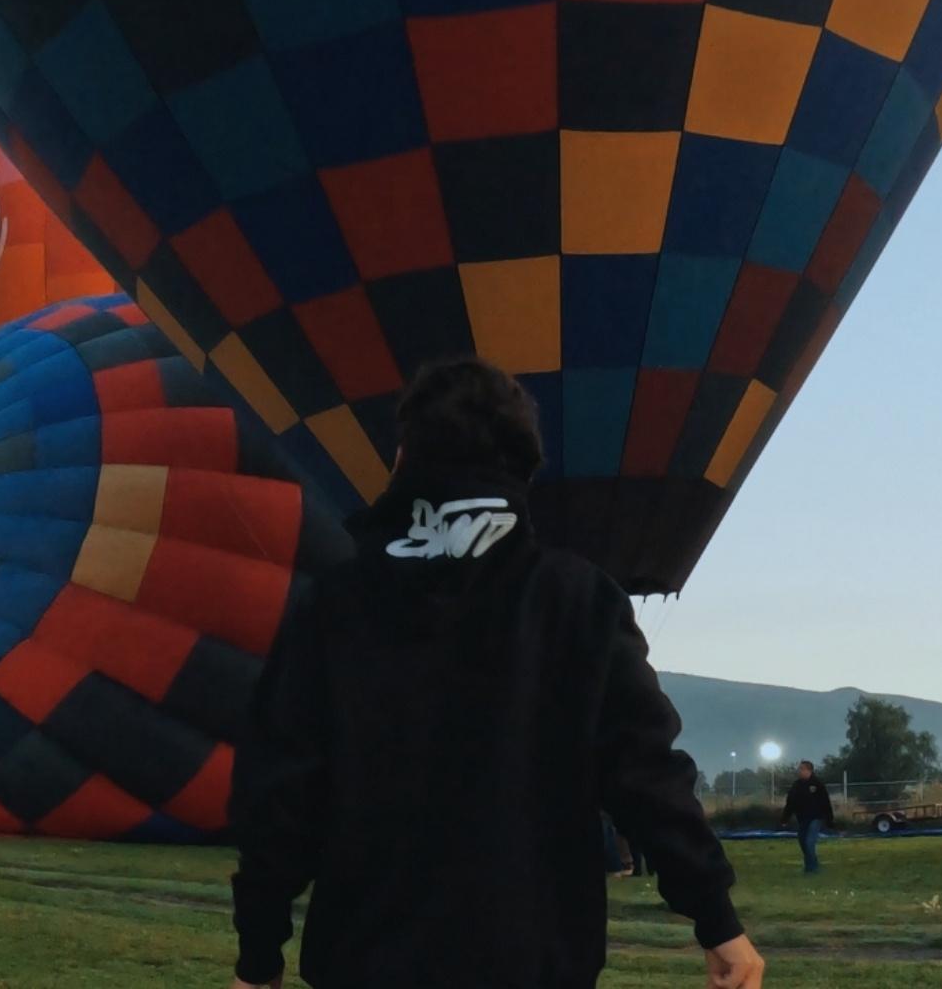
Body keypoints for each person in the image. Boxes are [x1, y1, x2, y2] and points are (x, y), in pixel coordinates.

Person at [229, 357, 764, 989]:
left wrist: (260, 957)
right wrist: (716, 918)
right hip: (531, 960)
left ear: (402, 460)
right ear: (526, 470)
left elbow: (280, 794)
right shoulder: (579, 601)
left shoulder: (333, 606)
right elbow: (644, 774)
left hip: (364, 958)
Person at [779, 761, 836, 874]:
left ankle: (812, 868)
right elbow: (790, 803)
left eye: (801, 769)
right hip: (802, 819)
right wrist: (785, 818)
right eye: (799, 769)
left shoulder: (817, 784)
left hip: (816, 818)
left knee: (809, 842)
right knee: (803, 842)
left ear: (809, 770)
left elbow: (825, 802)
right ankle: (810, 864)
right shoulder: (796, 785)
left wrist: (829, 820)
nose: (799, 771)